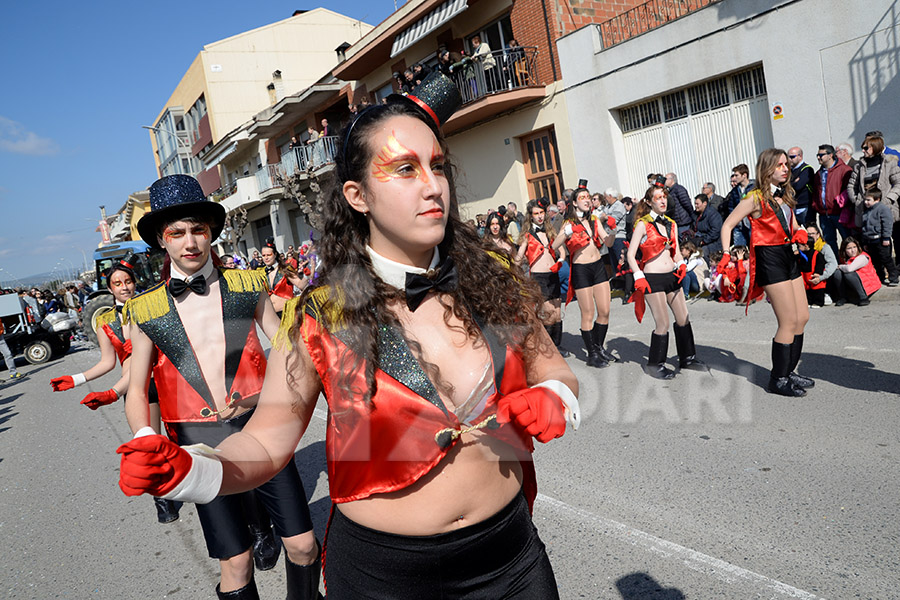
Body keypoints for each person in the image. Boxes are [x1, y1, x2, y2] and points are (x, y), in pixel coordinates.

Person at [116, 73, 578, 599]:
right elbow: (268, 439)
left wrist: (556, 394)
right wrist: (193, 470)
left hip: (510, 561)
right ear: (357, 195)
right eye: (405, 169)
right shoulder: (320, 313)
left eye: (438, 166)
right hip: (383, 578)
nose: (432, 186)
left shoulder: (491, 276)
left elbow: (554, 368)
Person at [117, 175, 320, 599]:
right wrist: (144, 439)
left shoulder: (249, 284)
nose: (190, 242)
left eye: (198, 230)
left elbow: (287, 351)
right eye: (178, 233)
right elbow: (137, 390)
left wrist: (267, 396)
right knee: (237, 563)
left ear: (210, 233)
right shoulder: (145, 309)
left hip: (260, 427)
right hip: (199, 441)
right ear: (162, 239)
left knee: (301, 545)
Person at [49, 263, 182, 523]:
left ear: (135, 282)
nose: (124, 287)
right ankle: (163, 499)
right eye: (118, 284)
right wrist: (76, 379)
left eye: (128, 281)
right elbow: (108, 362)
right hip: (138, 389)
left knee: (182, 438)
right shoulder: (105, 320)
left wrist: (111, 393)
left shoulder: (152, 308)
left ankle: (196, 485)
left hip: (170, 380)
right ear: (110, 289)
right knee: (150, 442)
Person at [719, 148, 811, 397]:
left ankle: (789, 371)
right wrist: (727, 254)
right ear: (767, 169)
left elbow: (791, 223)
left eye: (786, 164)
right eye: (780, 164)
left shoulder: (785, 195)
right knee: (788, 321)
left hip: (788, 255)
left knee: (802, 317)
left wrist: (800, 232)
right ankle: (777, 379)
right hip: (769, 259)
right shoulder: (754, 198)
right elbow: (728, 224)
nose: (785, 168)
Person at [627, 186, 705, 379]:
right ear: (649, 202)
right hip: (652, 278)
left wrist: (680, 264)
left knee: (683, 317)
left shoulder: (671, 223)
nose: (663, 201)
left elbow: (676, 250)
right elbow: (630, 254)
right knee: (663, 323)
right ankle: (655, 364)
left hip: (672, 276)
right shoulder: (642, 224)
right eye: (658, 198)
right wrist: (639, 276)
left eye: (664, 197)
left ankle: (688, 358)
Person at [552, 180, 618, 367]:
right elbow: (555, 246)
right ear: (574, 203)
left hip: (597, 266)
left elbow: (609, 242)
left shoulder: (594, 220)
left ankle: (598, 346)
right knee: (587, 313)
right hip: (581, 269)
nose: (587, 200)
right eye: (582, 198)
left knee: (604, 311)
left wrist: (613, 230)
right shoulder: (568, 222)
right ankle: (592, 354)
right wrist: (565, 233)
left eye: (588, 197)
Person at [516, 198, 567, 356]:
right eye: (536, 213)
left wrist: (560, 260)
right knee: (548, 313)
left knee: (558, 312)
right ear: (530, 216)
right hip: (538, 277)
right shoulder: (528, 235)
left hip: (553, 274)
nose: (539, 216)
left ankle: (558, 345)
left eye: (541, 213)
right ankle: (549, 346)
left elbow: (562, 252)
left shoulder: (550, 231)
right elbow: (519, 257)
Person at [847, 133, 900, 270]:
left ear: (875, 148)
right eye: (862, 148)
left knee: (889, 239)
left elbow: (898, 183)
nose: (863, 151)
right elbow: (851, 185)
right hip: (866, 209)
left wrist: (888, 199)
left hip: (885, 208)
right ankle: (879, 272)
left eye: (866, 148)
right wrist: (856, 199)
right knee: (871, 243)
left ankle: (893, 271)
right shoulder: (859, 166)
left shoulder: (889, 162)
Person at [813, 144, 852, 256]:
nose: (818, 158)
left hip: (840, 213)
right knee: (829, 242)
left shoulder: (844, 170)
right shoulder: (819, 173)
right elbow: (816, 192)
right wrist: (816, 206)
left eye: (821, 155)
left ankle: (851, 265)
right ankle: (834, 267)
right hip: (824, 214)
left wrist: (843, 205)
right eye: (817, 155)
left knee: (848, 241)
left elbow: (849, 190)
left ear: (830, 155)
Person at [860, 190, 899, 285]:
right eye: (865, 200)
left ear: (877, 199)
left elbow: (887, 224)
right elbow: (864, 227)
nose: (866, 202)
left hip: (881, 240)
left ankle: (893, 277)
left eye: (868, 200)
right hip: (870, 240)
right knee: (876, 260)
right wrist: (865, 241)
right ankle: (880, 276)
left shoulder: (883, 209)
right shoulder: (866, 211)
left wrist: (886, 237)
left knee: (886, 259)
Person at [260, 239, 307, 313]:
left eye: (269, 255)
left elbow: (301, 285)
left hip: (287, 312)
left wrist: (308, 273)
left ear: (275, 254)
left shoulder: (284, 269)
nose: (266, 258)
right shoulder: (262, 273)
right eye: (263, 255)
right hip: (272, 315)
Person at [833, 237, 881, 306]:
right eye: (849, 248)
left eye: (854, 247)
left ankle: (863, 297)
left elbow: (849, 268)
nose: (853, 250)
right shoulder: (845, 258)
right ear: (844, 250)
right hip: (857, 283)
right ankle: (842, 297)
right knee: (837, 273)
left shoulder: (863, 257)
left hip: (868, 286)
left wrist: (840, 266)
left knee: (848, 274)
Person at [723, 164, 755, 246]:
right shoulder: (735, 191)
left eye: (737, 175)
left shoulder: (754, 187)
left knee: (755, 248)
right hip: (739, 225)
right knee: (739, 250)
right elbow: (731, 207)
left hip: (752, 224)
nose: (734, 178)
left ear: (744, 175)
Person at [788, 147, 816, 225]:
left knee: (809, 232)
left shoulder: (807, 169)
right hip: (793, 207)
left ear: (800, 156)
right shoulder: (789, 171)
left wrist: (790, 183)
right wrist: (794, 182)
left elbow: (798, 186)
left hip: (805, 207)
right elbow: (784, 186)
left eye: (792, 157)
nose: (789, 159)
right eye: (788, 157)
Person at [692, 193, 723, 258]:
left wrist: (703, 241)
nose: (695, 206)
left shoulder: (712, 214)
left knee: (702, 252)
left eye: (697, 204)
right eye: (695, 204)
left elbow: (716, 231)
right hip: (699, 238)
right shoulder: (695, 214)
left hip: (713, 242)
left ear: (705, 203)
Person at [664, 172, 694, 237]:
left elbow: (687, 204)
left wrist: (692, 216)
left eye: (666, 179)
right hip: (676, 222)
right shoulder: (670, 191)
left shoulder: (679, 189)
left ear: (672, 180)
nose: (664, 181)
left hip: (683, 222)